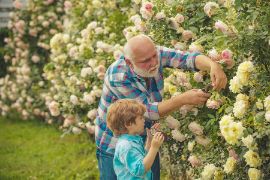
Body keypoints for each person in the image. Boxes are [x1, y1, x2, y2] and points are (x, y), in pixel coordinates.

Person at [95, 34, 227, 180]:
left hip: (143, 137)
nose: (153, 63)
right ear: (129, 62)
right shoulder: (118, 76)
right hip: (115, 145)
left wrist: (213, 65)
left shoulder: (154, 54)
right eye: (146, 61)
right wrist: (183, 99)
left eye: (154, 56)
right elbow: (147, 112)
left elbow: (188, 59)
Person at [107, 99, 164, 180]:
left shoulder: (132, 140)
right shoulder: (126, 146)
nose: (144, 120)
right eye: (141, 118)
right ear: (128, 124)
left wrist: (150, 140)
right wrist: (154, 148)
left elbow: (142, 158)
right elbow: (140, 170)